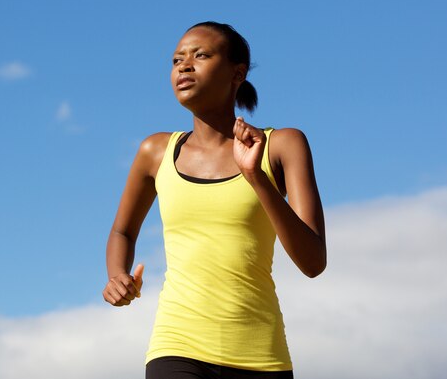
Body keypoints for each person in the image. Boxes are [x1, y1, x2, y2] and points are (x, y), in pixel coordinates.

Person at [103, 21, 326, 379]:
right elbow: (122, 232)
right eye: (177, 60)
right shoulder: (155, 152)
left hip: (261, 356)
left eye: (201, 55)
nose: (184, 66)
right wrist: (117, 275)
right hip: (176, 347)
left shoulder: (283, 145)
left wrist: (257, 177)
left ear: (237, 72)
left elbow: (313, 262)